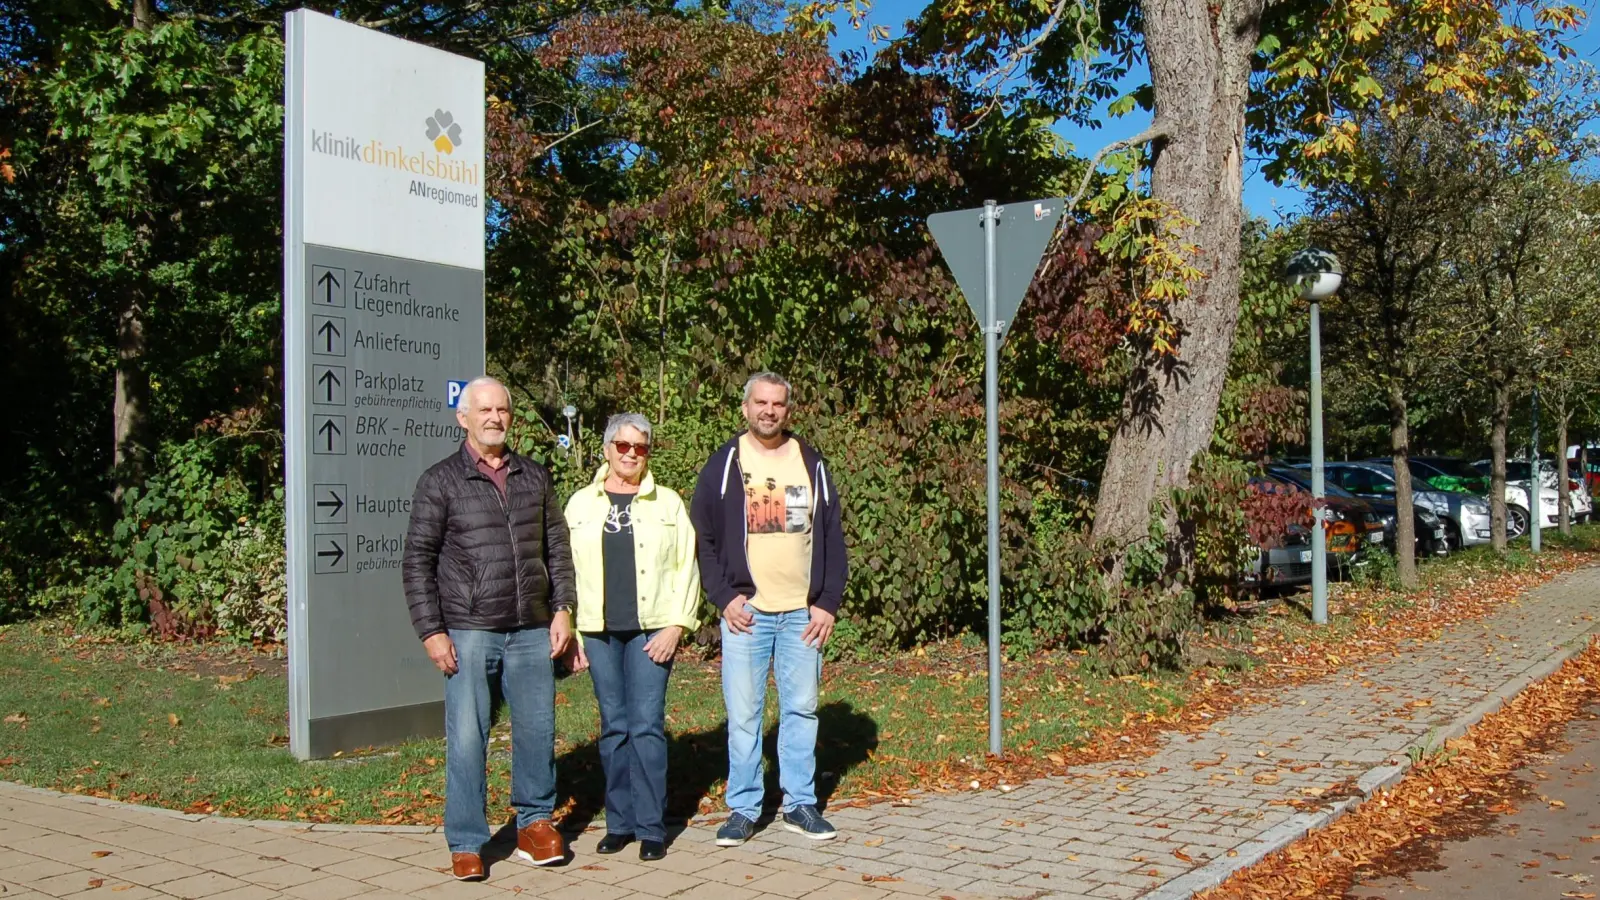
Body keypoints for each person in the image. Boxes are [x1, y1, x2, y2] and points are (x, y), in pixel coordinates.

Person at [402, 377, 578, 881]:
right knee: (466, 737)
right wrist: (431, 630)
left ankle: (534, 824)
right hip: (469, 628)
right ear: (463, 418)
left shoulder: (534, 476)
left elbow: (556, 549)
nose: (495, 417)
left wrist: (563, 607)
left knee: (537, 731)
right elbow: (417, 561)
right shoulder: (440, 481)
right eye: (484, 410)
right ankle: (466, 839)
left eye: (502, 409)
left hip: (531, 629)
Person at [690, 372, 848, 846]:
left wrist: (827, 603)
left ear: (788, 410)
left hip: (802, 614)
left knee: (801, 709)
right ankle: (743, 808)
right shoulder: (725, 464)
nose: (769, 411)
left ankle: (800, 803)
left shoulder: (811, 463)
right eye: (760, 402)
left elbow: (833, 538)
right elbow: (704, 538)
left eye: (777, 404)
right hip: (747, 613)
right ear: (745, 408)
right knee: (744, 714)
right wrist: (724, 597)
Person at [563, 413, 701, 862]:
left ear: (647, 454)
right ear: (607, 450)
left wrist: (676, 626)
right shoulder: (581, 504)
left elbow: (687, 567)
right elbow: (563, 571)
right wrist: (569, 628)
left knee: (646, 726)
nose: (629, 454)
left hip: (651, 630)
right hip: (597, 632)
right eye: (621, 446)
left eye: (639, 448)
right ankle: (618, 823)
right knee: (613, 727)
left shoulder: (668, 504)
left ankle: (651, 826)